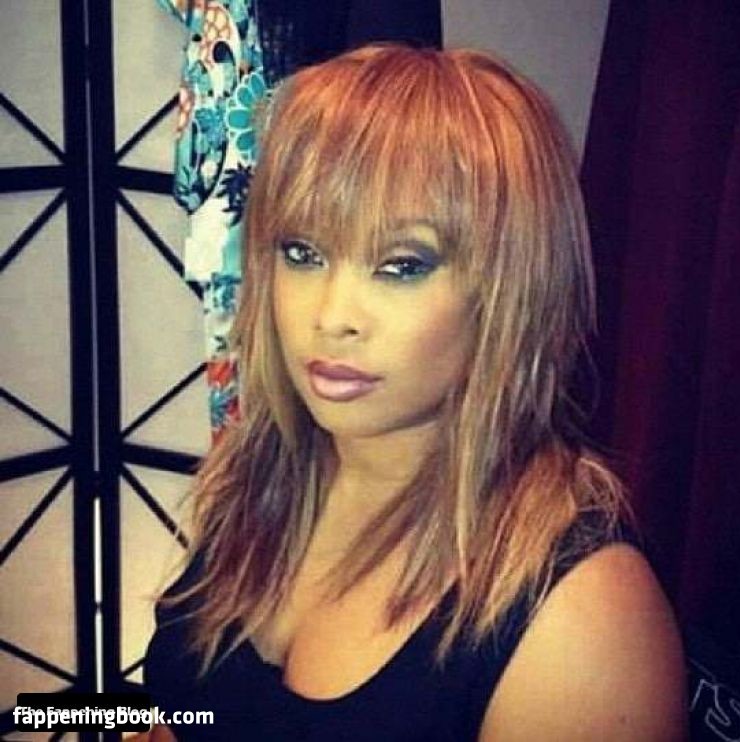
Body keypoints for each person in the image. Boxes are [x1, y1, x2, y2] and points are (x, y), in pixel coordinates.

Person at [143, 44, 687, 740]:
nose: (331, 316)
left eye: (401, 265)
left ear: (509, 287)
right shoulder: (256, 479)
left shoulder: (583, 622)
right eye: (303, 252)